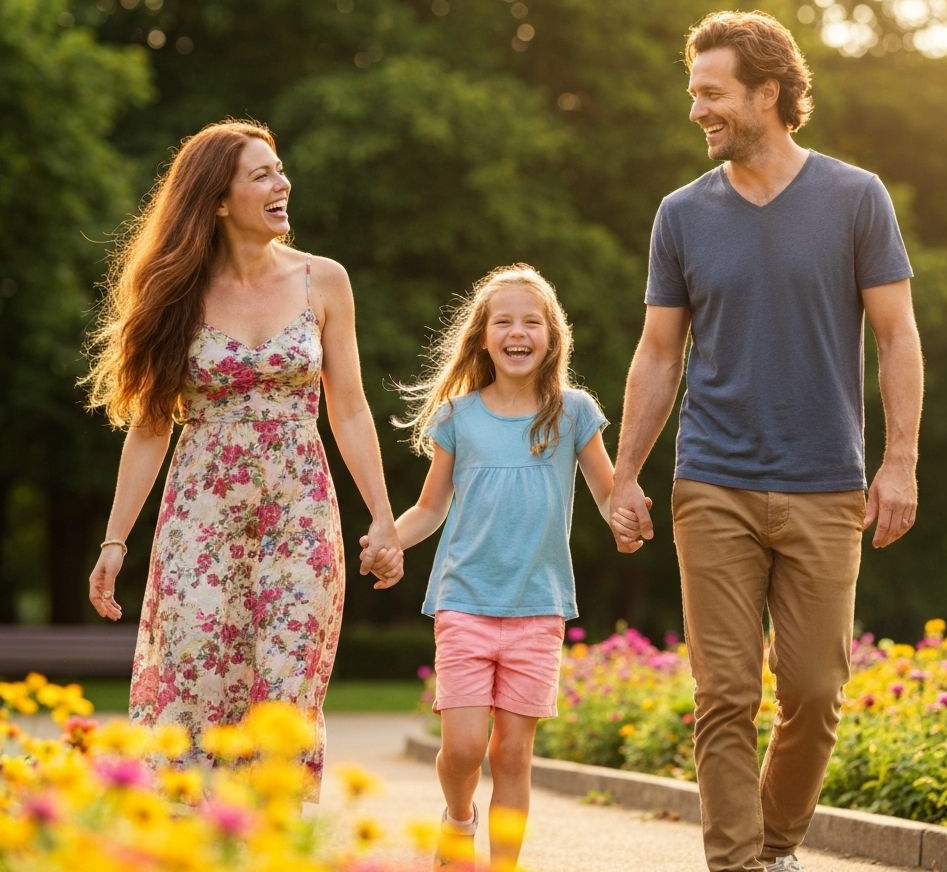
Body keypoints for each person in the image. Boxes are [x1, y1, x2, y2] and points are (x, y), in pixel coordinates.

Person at [611, 11, 924, 872]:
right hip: (711, 479)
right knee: (723, 695)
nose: (696, 111)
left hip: (827, 481)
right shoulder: (681, 215)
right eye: (693, 94)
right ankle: (739, 865)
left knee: (816, 694)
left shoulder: (855, 197)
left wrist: (899, 463)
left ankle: (776, 844)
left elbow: (897, 336)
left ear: (769, 93)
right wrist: (625, 476)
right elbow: (658, 350)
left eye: (711, 94)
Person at [82, 118, 402, 799]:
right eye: (262, 174)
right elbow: (149, 427)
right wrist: (115, 540)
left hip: (300, 519)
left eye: (279, 168)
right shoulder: (176, 293)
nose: (283, 183)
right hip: (200, 524)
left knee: (286, 699)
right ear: (219, 201)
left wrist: (381, 515)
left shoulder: (326, 282)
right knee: (198, 689)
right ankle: (198, 843)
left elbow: (349, 407)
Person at [362, 263, 638, 872]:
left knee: (512, 755)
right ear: (483, 337)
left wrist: (625, 516)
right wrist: (391, 540)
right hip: (464, 599)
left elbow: (607, 490)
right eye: (504, 321)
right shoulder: (460, 417)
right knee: (462, 750)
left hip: (537, 605)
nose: (519, 332)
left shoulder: (573, 412)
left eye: (532, 321)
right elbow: (430, 507)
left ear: (552, 336)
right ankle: (458, 819)